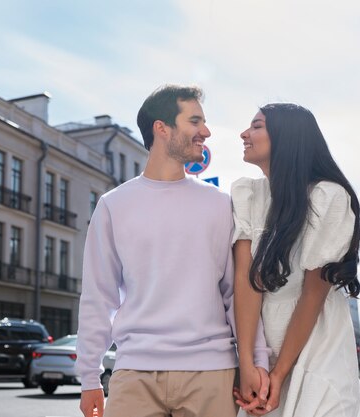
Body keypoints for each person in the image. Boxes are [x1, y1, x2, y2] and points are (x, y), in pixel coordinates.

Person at [76, 85, 270, 417]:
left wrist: (256, 362)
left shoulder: (221, 205)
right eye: (195, 121)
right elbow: (99, 296)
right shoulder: (113, 206)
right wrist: (89, 377)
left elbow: (237, 292)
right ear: (161, 128)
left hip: (212, 375)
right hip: (134, 375)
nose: (206, 132)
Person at [232, 103, 360, 416]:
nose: (244, 134)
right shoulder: (247, 194)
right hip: (265, 352)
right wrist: (248, 362)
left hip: (318, 346)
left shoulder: (327, 196)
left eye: (257, 126)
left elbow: (312, 296)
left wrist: (279, 374)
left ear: (287, 137)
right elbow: (245, 282)